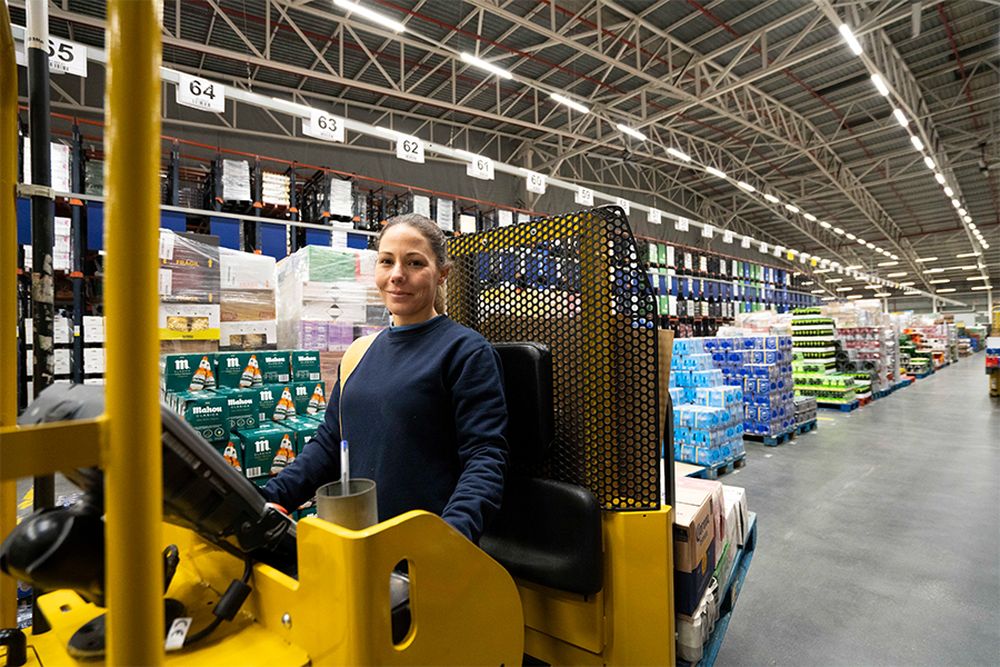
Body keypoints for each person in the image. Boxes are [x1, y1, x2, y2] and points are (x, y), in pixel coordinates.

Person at [263, 213, 509, 543]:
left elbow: (484, 458)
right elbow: (329, 445)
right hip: (357, 546)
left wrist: (449, 539)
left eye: (414, 263)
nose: (397, 275)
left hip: (422, 552)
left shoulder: (465, 352)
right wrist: (269, 498)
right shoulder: (358, 353)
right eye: (386, 261)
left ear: (442, 275)